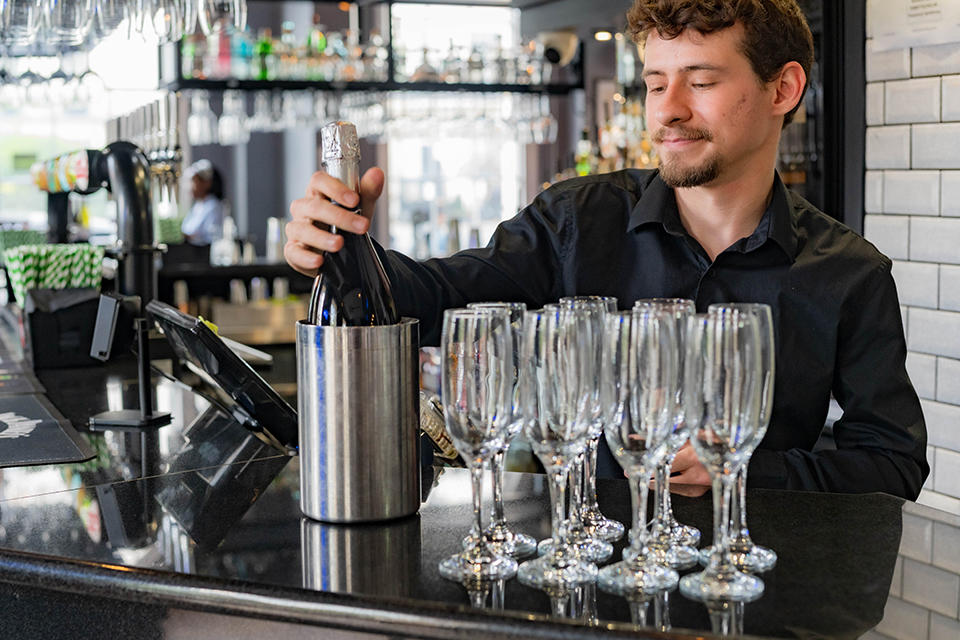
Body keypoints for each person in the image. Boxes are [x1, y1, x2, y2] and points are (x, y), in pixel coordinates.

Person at [284, 0, 928, 501]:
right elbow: (435, 300)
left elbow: (892, 464)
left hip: (759, 590)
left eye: (701, 81)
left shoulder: (849, 273)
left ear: (783, 89)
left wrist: (744, 470)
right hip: (589, 581)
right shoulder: (576, 220)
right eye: (655, 84)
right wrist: (343, 248)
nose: (667, 112)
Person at [181, 159, 225, 246]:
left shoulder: (213, 206)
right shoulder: (197, 205)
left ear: (206, 183)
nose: (189, 187)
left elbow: (211, 238)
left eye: (193, 182)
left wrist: (190, 237)